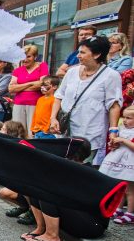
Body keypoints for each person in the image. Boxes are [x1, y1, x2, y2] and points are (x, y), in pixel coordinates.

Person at [50, 36, 123, 166]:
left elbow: (114, 105)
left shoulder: (111, 75)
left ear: (97, 54)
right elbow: (59, 96)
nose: (78, 55)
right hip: (66, 129)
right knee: (60, 165)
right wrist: (53, 118)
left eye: (83, 52)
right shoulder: (71, 72)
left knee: (79, 168)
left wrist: (113, 130)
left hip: (90, 133)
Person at [23, 137, 108, 241]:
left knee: (48, 193)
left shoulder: (85, 172)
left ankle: (52, 236)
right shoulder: (72, 168)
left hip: (92, 226)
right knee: (38, 189)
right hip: (81, 217)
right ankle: (41, 229)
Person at [100, 105, 134, 224]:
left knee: (130, 190)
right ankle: (118, 209)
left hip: (130, 162)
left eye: (129, 118)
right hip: (119, 160)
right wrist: (114, 143)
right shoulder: (122, 129)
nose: (125, 120)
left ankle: (130, 212)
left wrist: (123, 141)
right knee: (121, 188)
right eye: (124, 117)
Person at [9, 45, 49, 138]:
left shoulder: (42, 66)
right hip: (19, 104)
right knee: (18, 132)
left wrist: (19, 87)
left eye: (28, 56)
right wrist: (30, 84)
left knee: (32, 133)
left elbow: (42, 84)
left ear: (35, 57)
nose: (25, 59)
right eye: (23, 57)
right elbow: (11, 89)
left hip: (35, 104)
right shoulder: (17, 70)